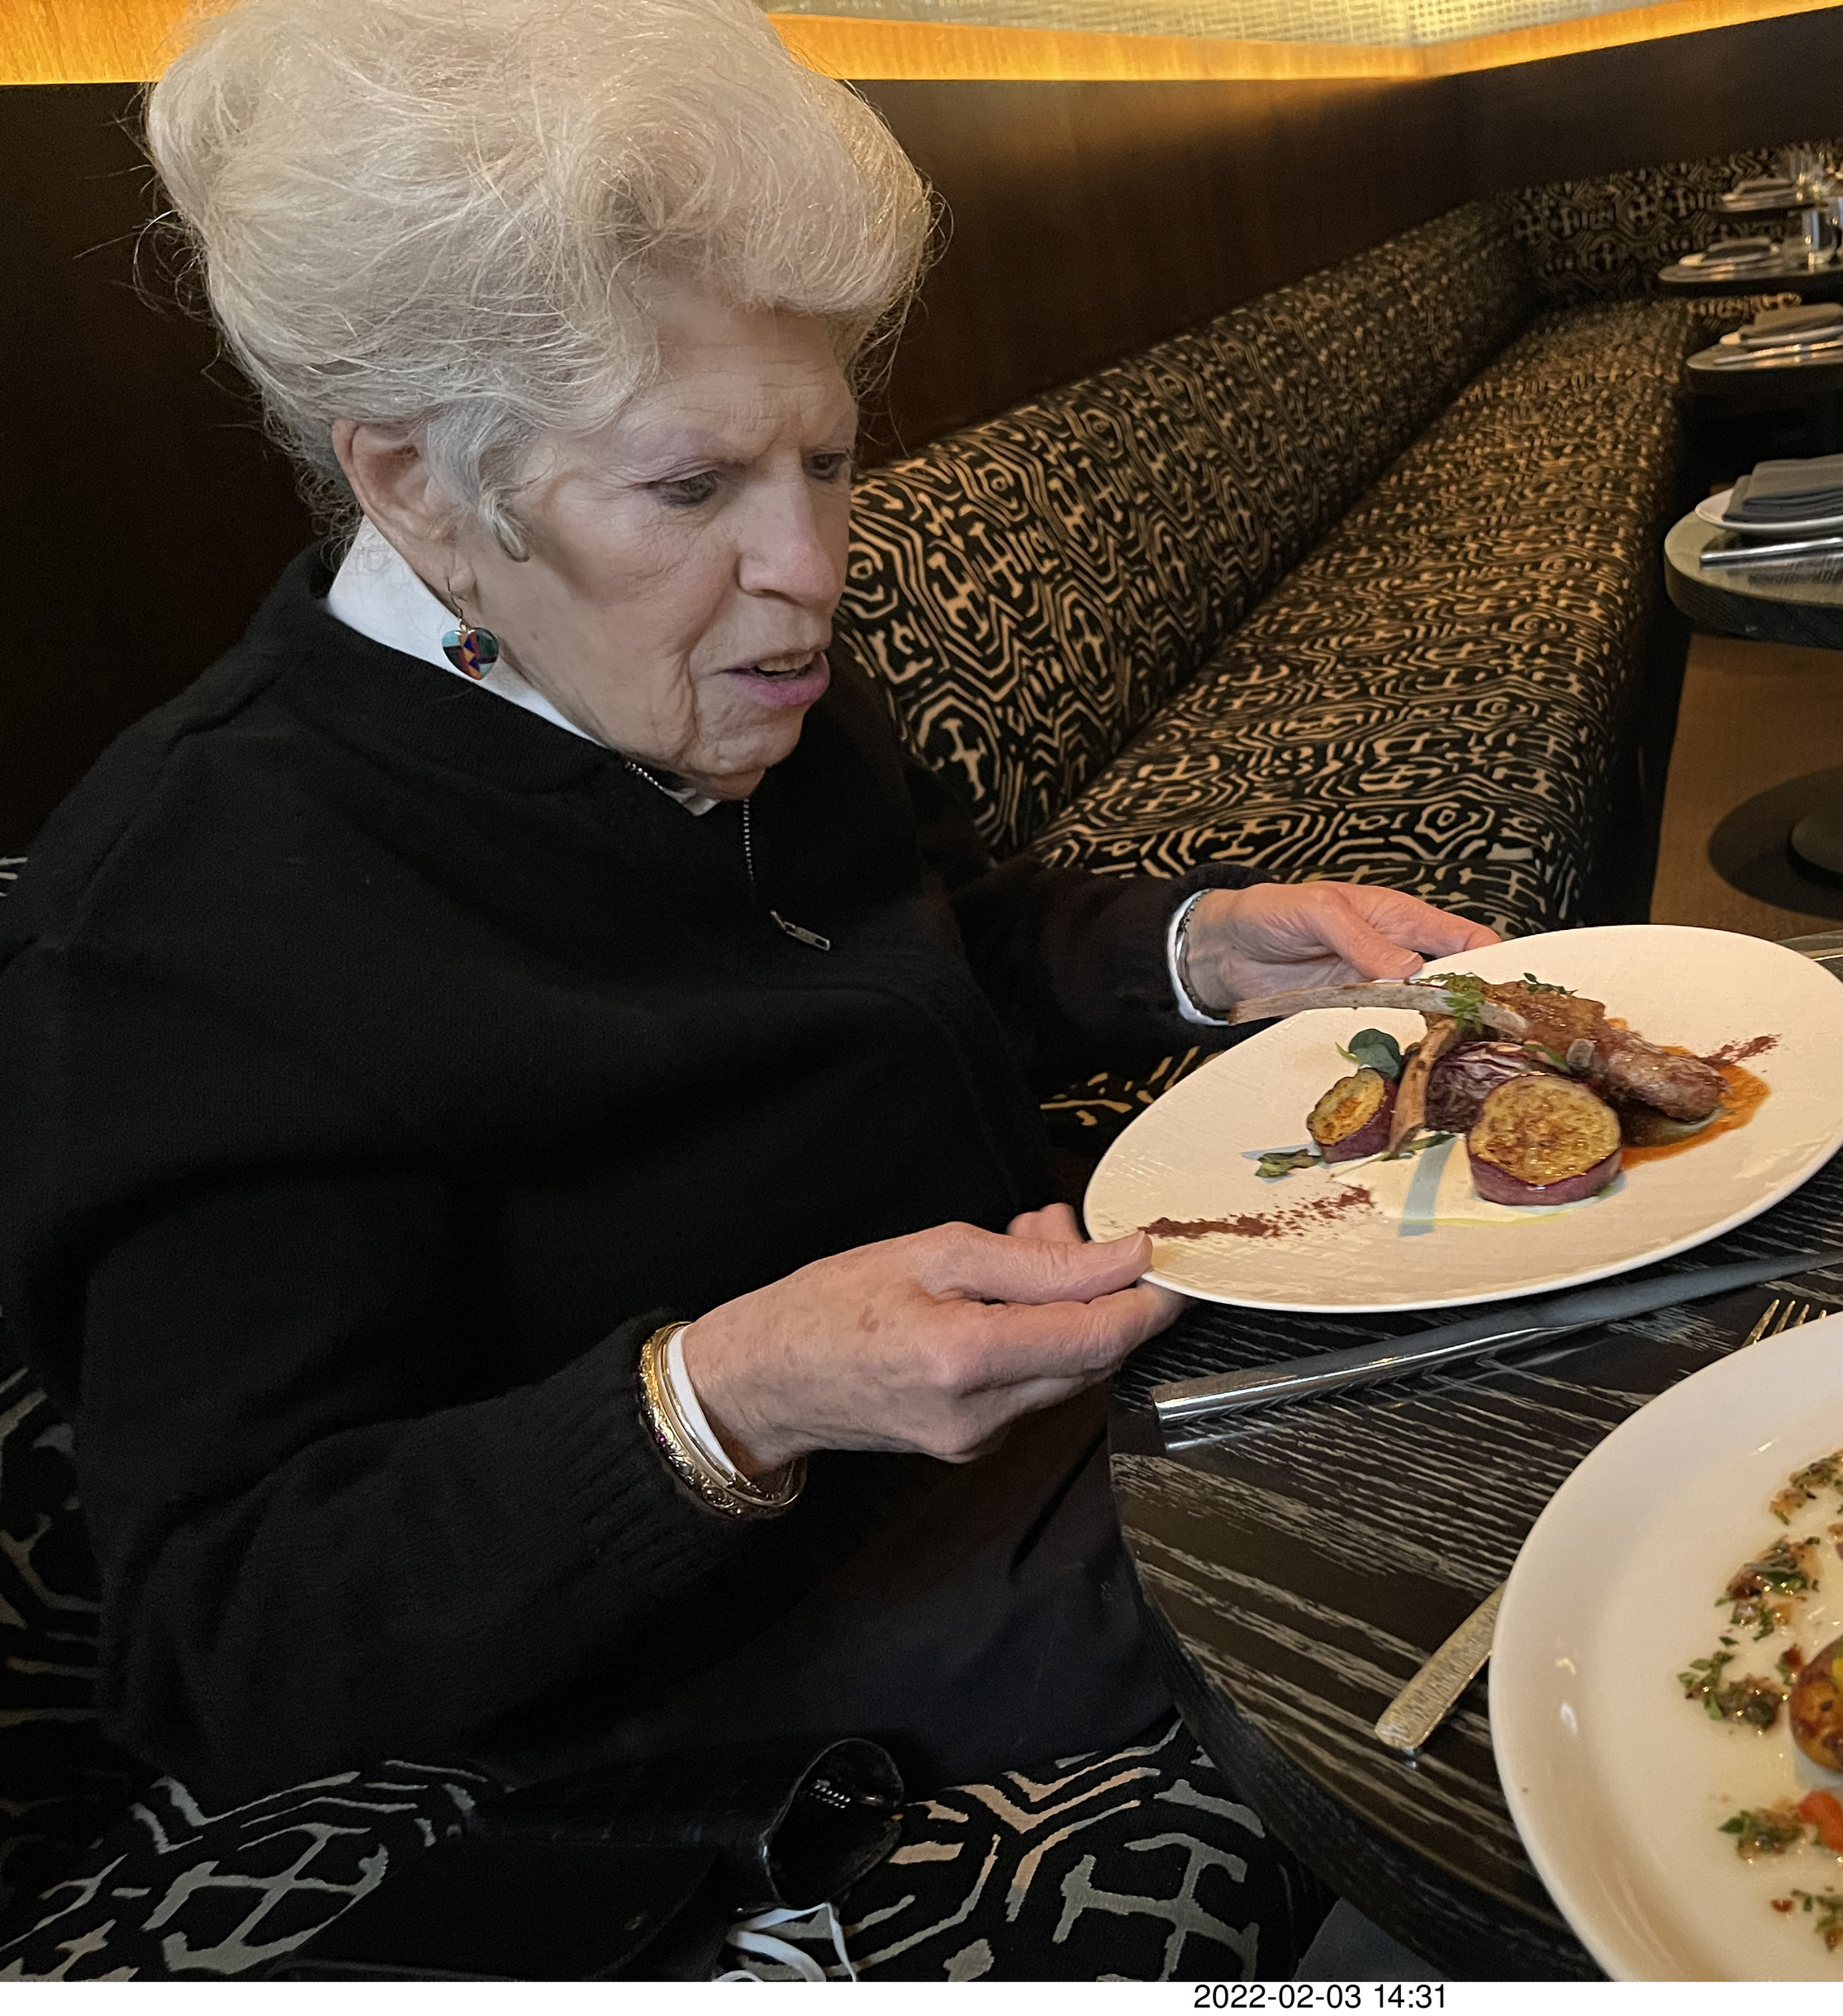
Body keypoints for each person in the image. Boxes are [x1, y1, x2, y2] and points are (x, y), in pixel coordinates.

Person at [0, 0, 1498, 1977]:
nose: (808, 565)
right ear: (420, 487)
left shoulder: (737, 653)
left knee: (1529, 1320)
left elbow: (938, 933)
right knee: (1455, 1585)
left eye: (827, 458)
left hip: (1047, 1365)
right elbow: (229, 1635)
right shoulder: (186, 920)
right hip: (722, 1624)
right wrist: (728, 1398)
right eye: (691, 488)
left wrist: (1191, 946)